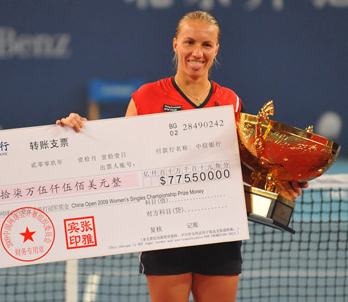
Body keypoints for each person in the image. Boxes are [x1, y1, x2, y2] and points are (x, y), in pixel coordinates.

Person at [57, 10, 307, 302]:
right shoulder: (145, 97)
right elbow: (114, 156)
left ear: (216, 49)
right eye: (189, 42)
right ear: (175, 44)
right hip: (165, 233)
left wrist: (279, 184)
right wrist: (77, 133)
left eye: (206, 45)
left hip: (219, 232)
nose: (197, 53)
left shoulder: (231, 101)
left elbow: (239, 169)